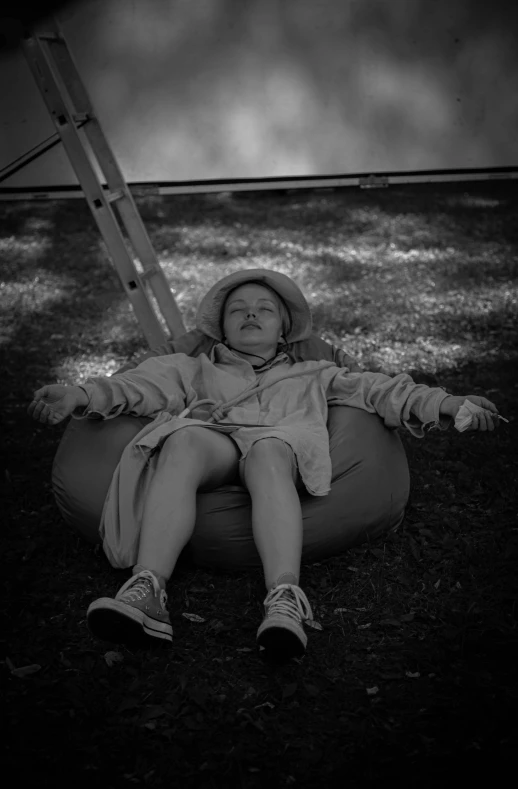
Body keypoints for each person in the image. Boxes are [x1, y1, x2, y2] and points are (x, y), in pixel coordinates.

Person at [28, 269, 502, 661]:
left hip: (276, 449)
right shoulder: (193, 367)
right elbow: (137, 386)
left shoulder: (316, 373)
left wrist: (448, 403)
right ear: (223, 328)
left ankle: (283, 598)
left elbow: (383, 391)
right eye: (238, 310)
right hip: (216, 444)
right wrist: (80, 394)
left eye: (264, 309)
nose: (250, 314)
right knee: (185, 439)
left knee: (270, 450)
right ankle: (147, 587)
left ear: (283, 330)